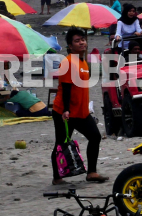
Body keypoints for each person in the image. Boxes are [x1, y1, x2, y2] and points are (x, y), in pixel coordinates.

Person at [51, 28, 107, 184]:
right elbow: (67, 88)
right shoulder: (68, 62)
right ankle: (57, 177)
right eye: (77, 40)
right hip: (65, 112)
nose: (82, 42)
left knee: (95, 136)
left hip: (81, 112)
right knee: (60, 143)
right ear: (70, 45)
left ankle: (92, 172)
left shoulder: (82, 61)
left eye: (83, 39)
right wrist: (66, 110)